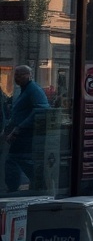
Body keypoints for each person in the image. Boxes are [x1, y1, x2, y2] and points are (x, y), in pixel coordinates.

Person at [3, 65, 50, 193]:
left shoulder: (33, 89)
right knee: (18, 160)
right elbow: (18, 112)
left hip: (26, 134)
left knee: (16, 160)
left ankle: (17, 188)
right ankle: (36, 184)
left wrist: (19, 128)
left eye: (20, 74)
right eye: (16, 74)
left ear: (29, 75)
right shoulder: (24, 90)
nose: (17, 77)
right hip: (21, 133)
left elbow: (42, 109)